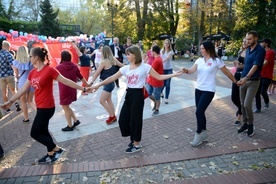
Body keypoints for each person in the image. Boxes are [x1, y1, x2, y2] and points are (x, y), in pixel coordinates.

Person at [0, 47, 91, 164]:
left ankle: (57, 149)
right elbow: (23, 88)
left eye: (31, 56)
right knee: (43, 131)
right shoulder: (32, 72)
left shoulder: (49, 70)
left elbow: (67, 81)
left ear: (36, 57)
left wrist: (84, 88)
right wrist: (11, 101)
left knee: (35, 133)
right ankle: (51, 154)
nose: (30, 58)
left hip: (47, 107)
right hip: (40, 106)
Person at [91, 46, 182, 153]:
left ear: (135, 55)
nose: (126, 56)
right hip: (129, 94)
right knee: (123, 120)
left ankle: (136, 144)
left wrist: (175, 74)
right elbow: (111, 78)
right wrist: (97, 85)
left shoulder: (145, 67)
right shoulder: (126, 68)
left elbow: (159, 77)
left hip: (138, 95)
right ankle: (133, 137)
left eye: (128, 54)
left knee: (136, 120)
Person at [182, 41, 238, 147]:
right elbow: (191, 71)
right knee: (200, 112)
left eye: (202, 48)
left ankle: (198, 134)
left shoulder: (216, 61)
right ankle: (204, 133)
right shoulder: (199, 60)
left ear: (208, 49)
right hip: (198, 89)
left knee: (198, 112)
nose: (201, 50)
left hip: (209, 90)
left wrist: (235, 81)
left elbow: (226, 72)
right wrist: (186, 70)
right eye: (200, 48)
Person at [236, 30, 266, 137]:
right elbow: (247, 65)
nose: (247, 41)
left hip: (253, 81)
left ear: (256, 38)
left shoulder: (260, 50)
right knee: (242, 104)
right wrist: (241, 75)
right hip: (243, 79)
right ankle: (244, 124)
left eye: (250, 39)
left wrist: (247, 77)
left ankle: (251, 125)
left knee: (247, 104)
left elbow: (256, 66)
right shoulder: (248, 50)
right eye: (246, 39)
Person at [89, 46, 124, 124]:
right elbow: (123, 66)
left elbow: (96, 73)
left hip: (107, 84)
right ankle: (113, 116)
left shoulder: (103, 61)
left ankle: (112, 116)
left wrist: (91, 83)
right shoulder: (113, 59)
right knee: (109, 100)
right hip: (111, 83)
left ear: (103, 52)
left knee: (102, 101)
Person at [56, 50, 89, 131]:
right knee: (67, 106)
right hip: (73, 89)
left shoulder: (58, 67)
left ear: (62, 57)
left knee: (65, 107)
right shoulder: (74, 66)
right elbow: (81, 77)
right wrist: (87, 85)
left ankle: (70, 126)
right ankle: (75, 120)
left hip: (64, 90)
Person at [12, 46, 36, 123]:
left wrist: (17, 76)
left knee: (23, 101)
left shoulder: (16, 62)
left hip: (22, 82)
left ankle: (26, 118)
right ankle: (39, 114)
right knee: (30, 101)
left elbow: (16, 75)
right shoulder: (31, 61)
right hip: (31, 82)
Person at [254, 38, 275, 113]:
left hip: (267, 75)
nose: (260, 44)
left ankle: (266, 101)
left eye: (262, 42)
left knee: (263, 91)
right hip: (260, 74)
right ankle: (258, 108)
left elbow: (265, 63)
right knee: (257, 91)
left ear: (266, 44)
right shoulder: (261, 52)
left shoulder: (271, 52)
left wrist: (256, 67)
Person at [0, 41, 21, 112]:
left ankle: (7, 107)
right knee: (13, 90)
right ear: (8, 47)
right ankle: (16, 104)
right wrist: (17, 74)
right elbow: (13, 65)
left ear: (2, 47)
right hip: (10, 75)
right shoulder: (9, 55)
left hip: (1, 77)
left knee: (4, 92)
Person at [231, 38, 248, 125]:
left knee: (242, 97)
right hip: (237, 75)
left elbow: (251, 66)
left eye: (246, 41)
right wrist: (236, 64)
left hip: (244, 76)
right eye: (243, 41)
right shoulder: (241, 51)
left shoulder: (250, 52)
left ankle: (239, 116)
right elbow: (239, 64)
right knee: (234, 97)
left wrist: (240, 66)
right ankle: (240, 109)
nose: (244, 42)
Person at [146, 45, 164, 115]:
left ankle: (157, 108)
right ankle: (156, 103)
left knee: (157, 96)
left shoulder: (157, 60)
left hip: (157, 81)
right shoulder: (157, 58)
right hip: (151, 80)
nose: (150, 53)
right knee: (148, 93)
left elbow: (151, 70)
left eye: (151, 51)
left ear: (154, 52)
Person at [161, 39, 174, 104]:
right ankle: (161, 92)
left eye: (167, 43)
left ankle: (166, 98)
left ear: (169, 45)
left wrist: (160, 62)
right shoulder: (161, 51)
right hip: (162, 69)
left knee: (167, 84)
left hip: (169, 69)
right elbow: (159, 58)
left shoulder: (171, 51)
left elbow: (167, 58)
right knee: (162, 83)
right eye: (165, 43)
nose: (166, 45)